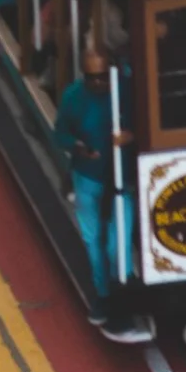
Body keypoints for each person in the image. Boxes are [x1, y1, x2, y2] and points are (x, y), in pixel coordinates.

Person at [54, 39, 127, 293]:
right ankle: (103, 295)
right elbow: (60, 134)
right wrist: (78, 147)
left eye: (102, 77)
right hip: (87, 179)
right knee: (92, 239)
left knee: (117, 245)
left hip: (123, 179)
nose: (97, 83)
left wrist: (131, 136)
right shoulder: (73, 96)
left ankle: (124, 296)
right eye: (91, 78)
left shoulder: (126, 90)